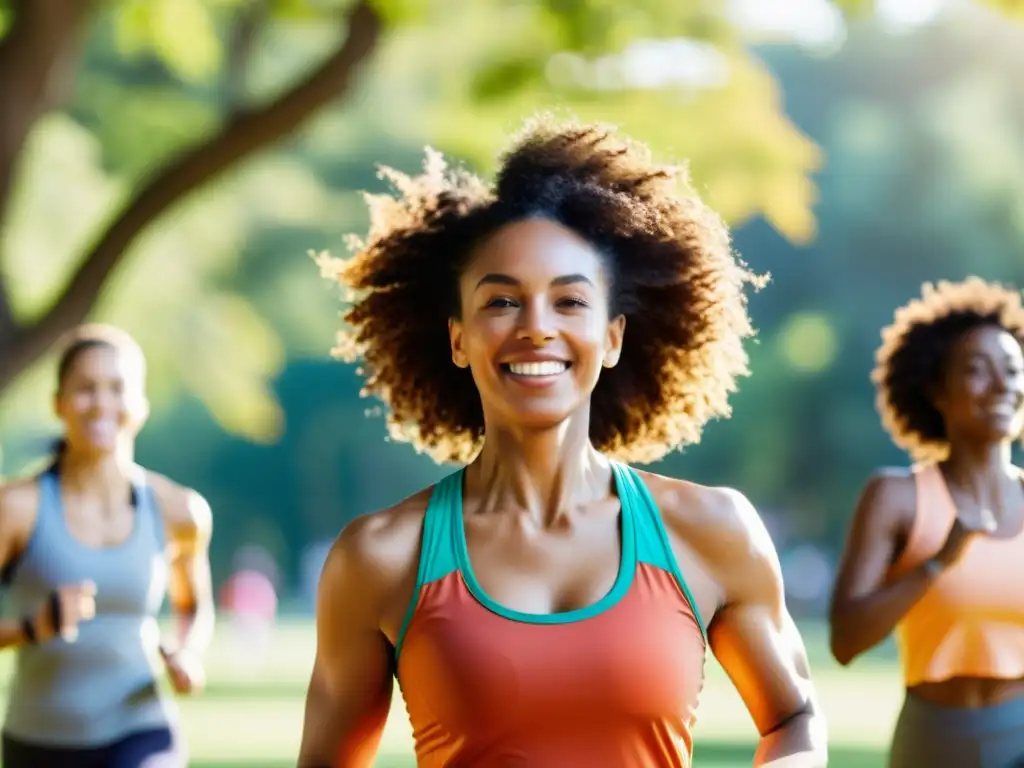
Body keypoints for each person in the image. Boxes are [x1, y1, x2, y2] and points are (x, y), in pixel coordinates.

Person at [298, 115, 826, 767]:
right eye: (501, 302)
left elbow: (794, 717)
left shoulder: (712, 531)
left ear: (612, 338)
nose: (536, 328)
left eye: (570, 302)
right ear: (459, 338)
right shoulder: (380, 558)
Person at [830, 277, 1024, 767]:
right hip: (932, 739)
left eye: (1013, 369)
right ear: (937, 390)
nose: (1002, 385)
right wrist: (937, 564)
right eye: (978, 370)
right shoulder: (896, 497)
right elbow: (846, 641)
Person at [0, 324, 215, 767]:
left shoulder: (180, 511)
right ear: (58, 404)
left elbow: (193, 605)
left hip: (141, 732)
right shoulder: (18, 508)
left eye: (118, 389)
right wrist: (30, 629)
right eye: (85, 389)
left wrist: (187, 651)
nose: (102, 404)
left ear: (140, 406)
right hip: (38, 742)